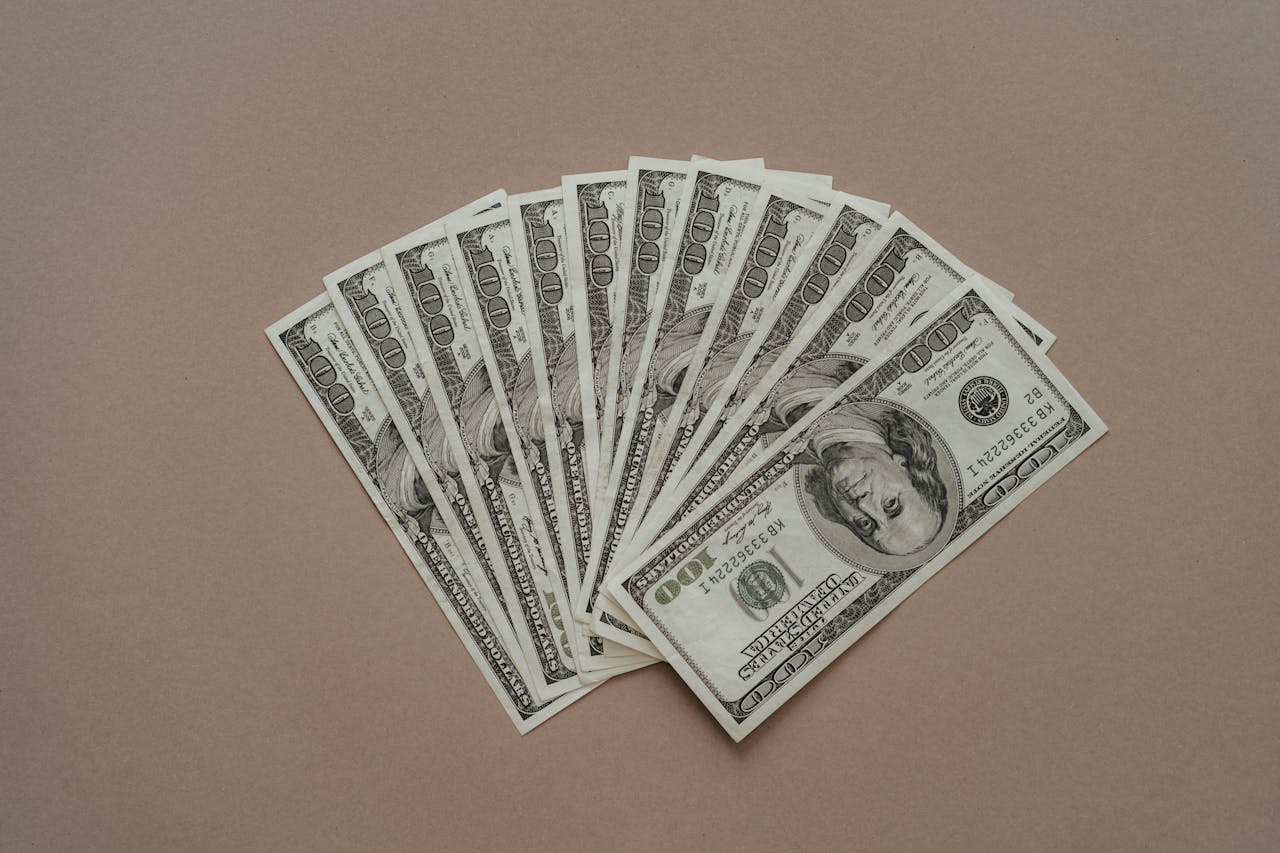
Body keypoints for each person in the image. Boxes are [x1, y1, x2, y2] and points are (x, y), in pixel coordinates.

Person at [802, 403, 947, 557]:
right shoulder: (867, 403)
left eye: (865, 524)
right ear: (903, 465)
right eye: (890, 503)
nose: (863, 505)